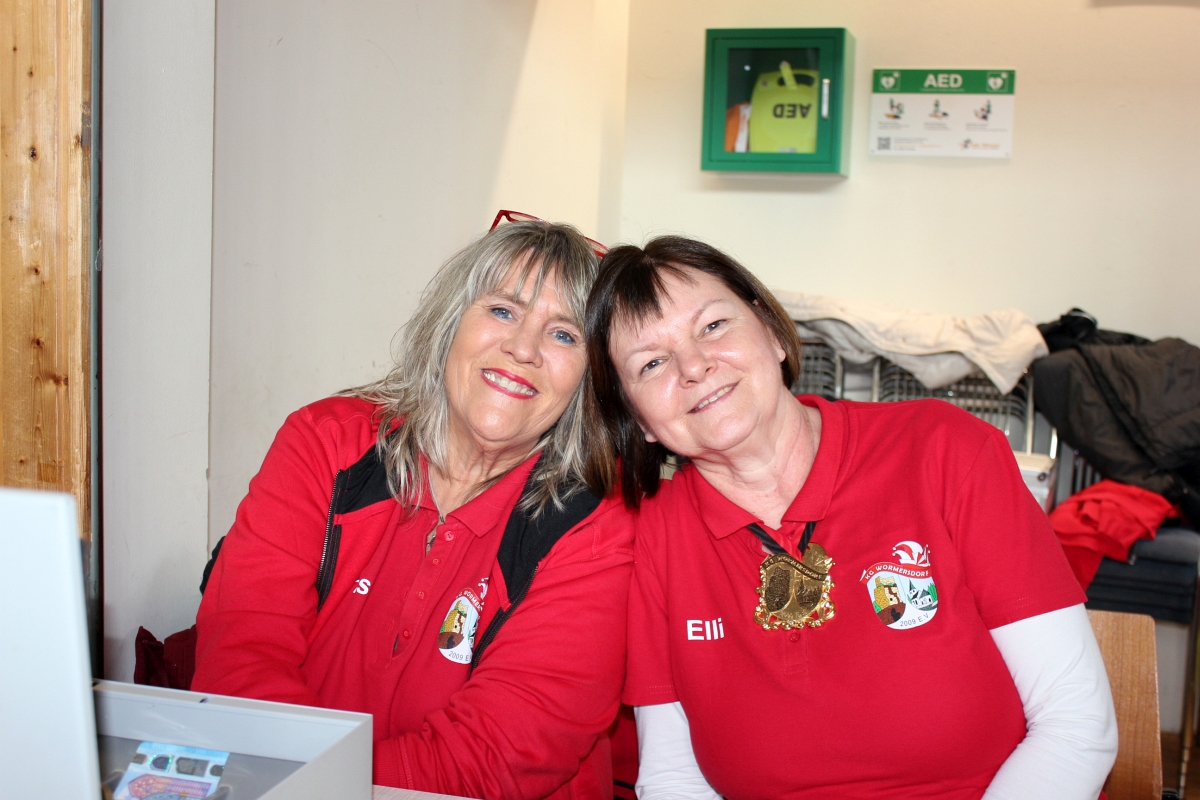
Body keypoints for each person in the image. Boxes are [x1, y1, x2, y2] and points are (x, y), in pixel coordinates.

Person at [584, 236, 1118, 800]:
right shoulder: (652, 533)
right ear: (635, 418)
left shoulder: (946, 450)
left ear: (771, 332)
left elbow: (1075, 723)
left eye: (713, 326)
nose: (694, 366)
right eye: (651, 363)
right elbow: (674, 776)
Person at [193, 214, 634, 799]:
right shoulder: (326, 443)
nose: (523, 349)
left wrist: (311, 779)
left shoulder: (601, 522)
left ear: (590, 379)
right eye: (503, 310)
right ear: (451, 323)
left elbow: (495, 757)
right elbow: (240, 659)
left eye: (564, 335)